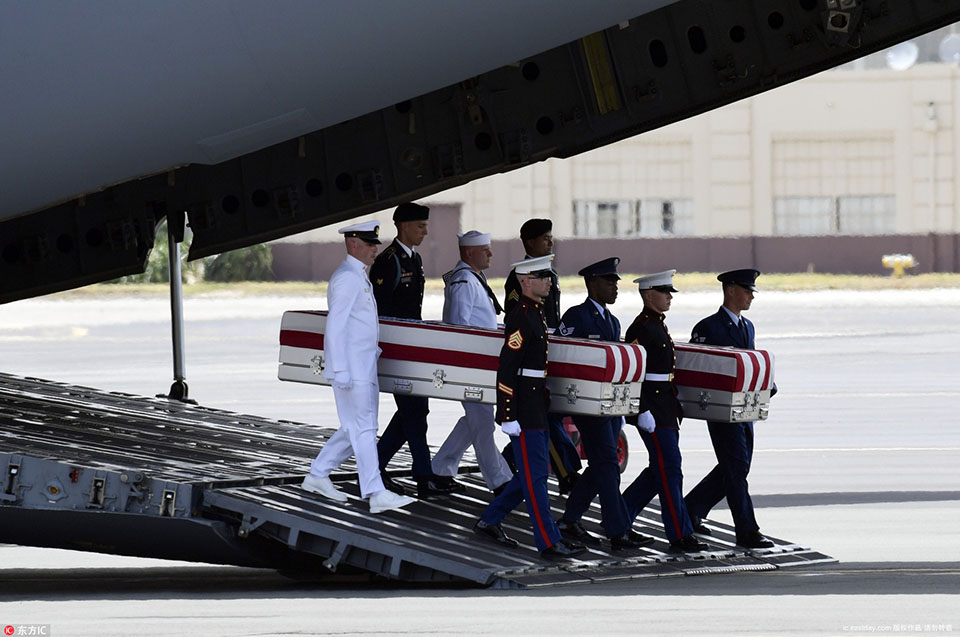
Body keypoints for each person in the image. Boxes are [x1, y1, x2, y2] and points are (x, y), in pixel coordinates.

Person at [473, 254, 586, 559]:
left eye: (549, 277)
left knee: (531, 475)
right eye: (542, 277)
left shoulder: (536, 313)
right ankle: (549, 541)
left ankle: (491, 519)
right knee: (536, 478)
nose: (549, 282)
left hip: (536, 406)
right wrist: (507, 414)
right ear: (525, 281)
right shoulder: (522, 316)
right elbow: (507, 368)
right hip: (524, 410)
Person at [301, 221, 415, 514]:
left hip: (362, 366)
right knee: (364, 428)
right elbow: (335, 326)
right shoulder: (347, 278)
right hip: (351, 370)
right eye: (370, 244)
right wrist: (338, 370)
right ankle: (376, 492)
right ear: (353, 244)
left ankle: (317, 474)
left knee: (356, 427)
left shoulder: (356, 276)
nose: (376, 249)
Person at [554, 258, 654, 550]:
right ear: (593, 283)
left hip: (610, 407)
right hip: (586, 406)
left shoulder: (612, 322)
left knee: (601, 465)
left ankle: (570, 519)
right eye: (610, 282)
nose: (615, 287)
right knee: (608, 463)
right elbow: (563, 358)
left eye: (616, 282)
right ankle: (618, 529)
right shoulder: (576, 317)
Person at [684, 268, 776, 549]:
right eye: (747, 290)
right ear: (731, 291)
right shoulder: (707, 327)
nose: (751, 296)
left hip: (745, 410)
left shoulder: (747, 327)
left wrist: (767, 384)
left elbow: (749, 364)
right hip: (722, 412)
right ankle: (747, 531)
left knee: (736, 467)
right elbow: (696, 367)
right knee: (735, 469)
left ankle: (692, 508)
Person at [370, 202, 455, 499]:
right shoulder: (389, 261)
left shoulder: (413, 259)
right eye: (420, 226)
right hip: (394, 349)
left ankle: (376, 466)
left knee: (414, 411)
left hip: (410, 348)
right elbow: (379, 311)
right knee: (415, 411)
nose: (425, 231)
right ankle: (423, 475)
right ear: (404, 226)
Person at [620, 270, 708, 553]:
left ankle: (620, 517)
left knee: (660, 470)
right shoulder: (641, 328)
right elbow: (634, 374)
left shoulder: (657, 325)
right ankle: (679, 534)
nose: (670, 296)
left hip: (665, 408)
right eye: (665, 292)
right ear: (648, 295)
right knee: (670, 469)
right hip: (653, 412)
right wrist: (641, 411)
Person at [502, 218, 582, 493]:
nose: (550, 242)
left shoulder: (549, 273)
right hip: (530, 359)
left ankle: (507, 462)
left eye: (550, 237)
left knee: (548, 419)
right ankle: (567, 472)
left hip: (548, 352)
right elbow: (517, 318)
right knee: (542, 422)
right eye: (545, 238)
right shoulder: (520, 276)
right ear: (529, 242)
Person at [431, 231, 513, 494]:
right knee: (482, 422)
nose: (490, 254)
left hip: (481, 362)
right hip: (471, 364)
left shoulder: (473, 277)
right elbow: (459, 326)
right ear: (469, 253)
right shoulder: (464, 281)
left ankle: (440, 468)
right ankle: (501, 481)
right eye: (485, 250)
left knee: (475, 421)